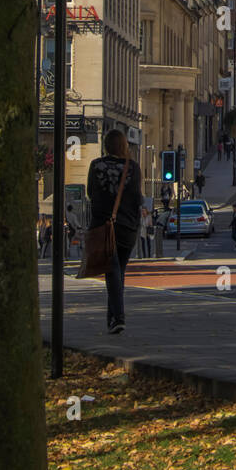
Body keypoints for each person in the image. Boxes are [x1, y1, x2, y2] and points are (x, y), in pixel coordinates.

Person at [86, 129, 143, 336]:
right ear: (124, 146)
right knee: (117, 271)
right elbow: (138, 197)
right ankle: (112, 319)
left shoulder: (96, 165)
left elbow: (90, 193)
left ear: (106, 146)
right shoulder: (132, 167)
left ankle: (118, 318)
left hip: (103, 225)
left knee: (112, 271)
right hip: (127, 227)